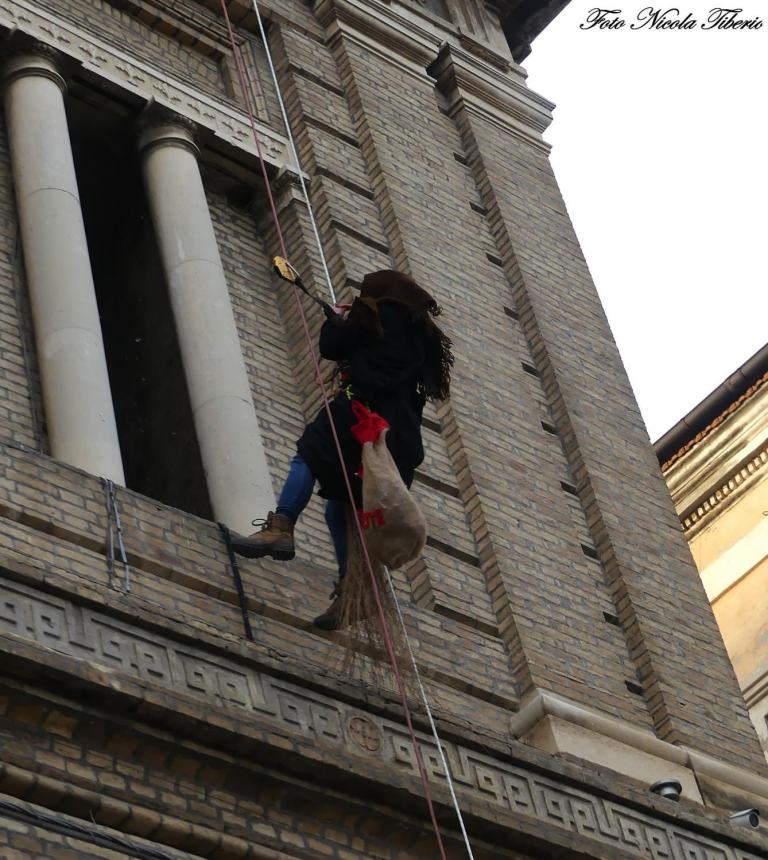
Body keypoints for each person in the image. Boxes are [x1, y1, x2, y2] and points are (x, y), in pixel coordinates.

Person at [230, 269, 453, 628]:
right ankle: (356, 586)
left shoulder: (375, 316)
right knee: (340, 505)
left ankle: (281, 527)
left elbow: (333, 346)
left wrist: (339, 320)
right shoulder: (417, 337)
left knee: (307, 454)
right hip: (397, 443)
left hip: (359, 419)